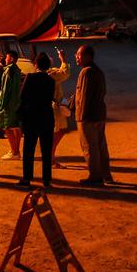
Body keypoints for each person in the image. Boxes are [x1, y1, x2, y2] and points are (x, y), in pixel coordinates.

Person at [16, 53, 57, 188]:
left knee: (29, 149)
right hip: (46, 117)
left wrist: (20, 117)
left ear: (36, 64)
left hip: (32, 117)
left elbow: (22, 97)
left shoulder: (30, 77)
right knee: (46, 150)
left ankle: (27, 178)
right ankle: (47, 180)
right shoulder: (51, 81)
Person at [74, 45, 111, 185]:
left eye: (79, 54)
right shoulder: (98, 71)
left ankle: (95, 176)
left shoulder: (86, 72)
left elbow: (84, 97)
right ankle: (106, 174)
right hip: (99, 114)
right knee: (101, 146)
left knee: (90, 147)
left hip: (88, 116)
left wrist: (81, 117)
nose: (76, 57)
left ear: (88, 56)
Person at [45, 48, 73, 167]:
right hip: (53, 107)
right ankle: (50, 158)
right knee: (57, 132)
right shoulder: (51, 74)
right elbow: (65, 73)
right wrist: (63, 59)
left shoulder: (46, 73)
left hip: (51, 106)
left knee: (59, 131)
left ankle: (51, 157)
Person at [0, 51, 24, 160]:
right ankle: (15, 150)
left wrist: (0, 105)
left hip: (9, 103)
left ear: (12, 58)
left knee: (7, 127)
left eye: (7, 57)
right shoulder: (17, 70)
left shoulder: (8, 71)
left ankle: (15, 151)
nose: (5, 59)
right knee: (16, 127)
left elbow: (5, 90)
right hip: (16, 102)